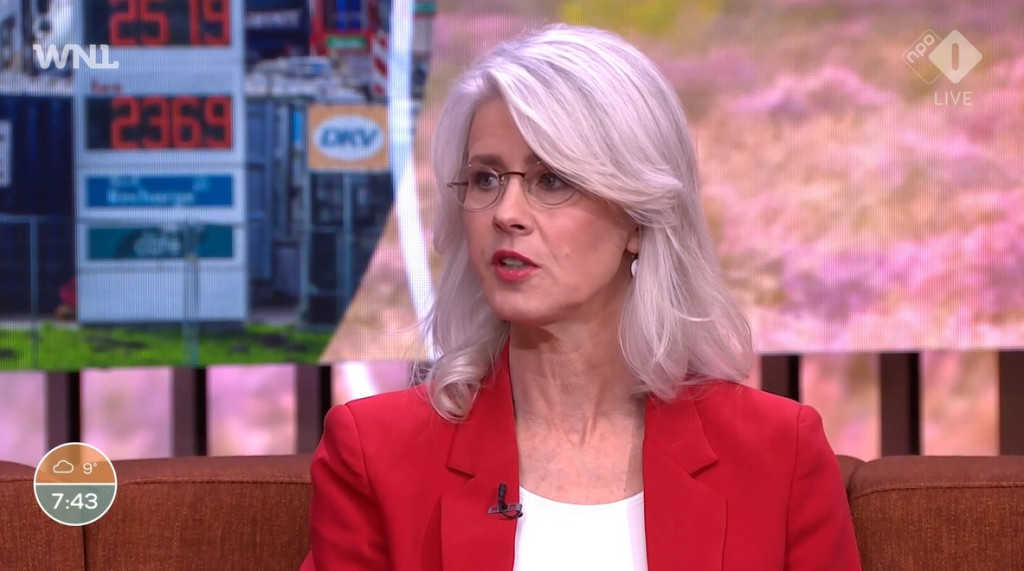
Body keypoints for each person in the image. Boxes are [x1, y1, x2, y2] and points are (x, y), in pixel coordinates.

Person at [301, 23, 861, 571]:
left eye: (552, 180)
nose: (506, 214)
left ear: (639, 218)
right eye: (486, 179)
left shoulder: (778, 454)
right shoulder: (376, 454)